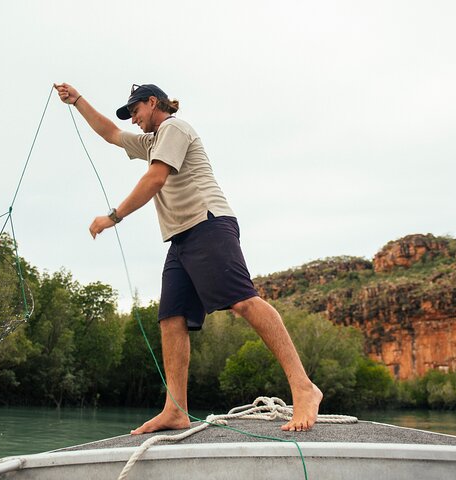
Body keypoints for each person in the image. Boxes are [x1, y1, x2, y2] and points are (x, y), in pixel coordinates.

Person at [54, 82, 323, 434]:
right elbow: (110, 133)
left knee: (243, 302)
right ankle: (175, 409)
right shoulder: (151, 141)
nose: (132, 119)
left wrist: (113, 217)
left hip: (208, 224)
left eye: (135, 110)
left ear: (153, 103)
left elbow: (155, 178)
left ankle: (304, 387)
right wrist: (77, 101)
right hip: (181, 239)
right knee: (171, 319)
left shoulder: (173, 128)